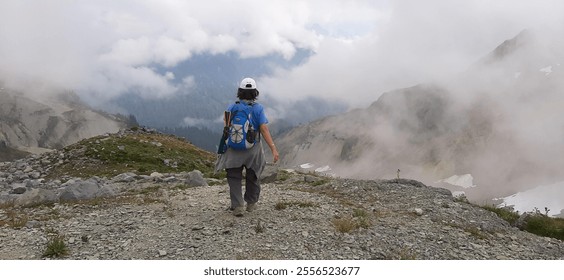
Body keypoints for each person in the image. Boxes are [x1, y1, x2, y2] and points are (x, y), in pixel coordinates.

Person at [215, 77, 279, 217]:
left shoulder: (233, 106)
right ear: (255, 92)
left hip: (233, 149)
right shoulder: (258, 109)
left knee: (233, 176)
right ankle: (251, 203)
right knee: (253, 175)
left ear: (240, 92)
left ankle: (237, 206)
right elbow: (263, 129)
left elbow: (226, 123)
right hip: (253, 150)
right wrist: (273, 148)